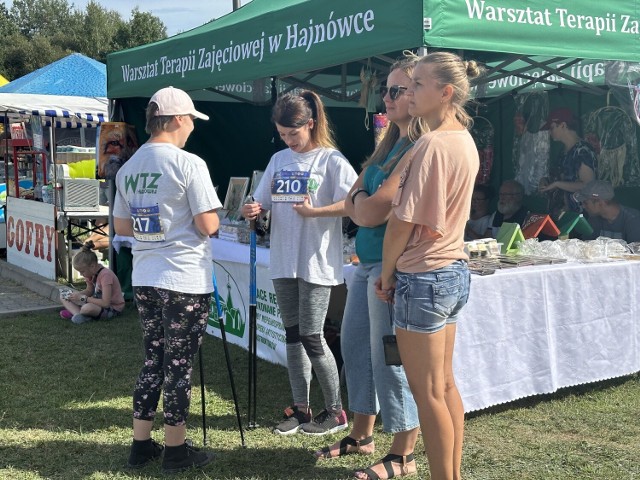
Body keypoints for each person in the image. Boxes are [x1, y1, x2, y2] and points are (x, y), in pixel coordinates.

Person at [316, 55, 428, 479]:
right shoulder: (389, 144)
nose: (387, 97)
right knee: (357, 346)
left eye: (396, 90)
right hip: (368, 261)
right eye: (386, 89)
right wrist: (363, 201)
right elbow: (353, 200)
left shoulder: (420, 145)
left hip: (394, 264)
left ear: (417, 94)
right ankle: (363, 434)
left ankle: (404, 453)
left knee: (390, 357)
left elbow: (369, 208)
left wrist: (364, 201)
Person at [376, 52, 481, 480]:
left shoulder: (433, 143)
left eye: (418, 84)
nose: (409, 91)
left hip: (424, 275)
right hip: (452, 270)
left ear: (446, 92)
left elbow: (402, 222)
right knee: (444, 386)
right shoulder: (463, 140)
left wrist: (386, 274)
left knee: (428, 394)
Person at [113, 86, 221, 473]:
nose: (192, 126)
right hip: (183, 277)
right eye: (191, 119)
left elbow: (123, 226)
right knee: (178, 365)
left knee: (153, 360)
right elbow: (208, 225)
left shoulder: (129, 166)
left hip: (146, 275)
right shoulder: (189, 163)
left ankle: (141, 446)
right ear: (177, 119)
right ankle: (176, 450)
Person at [241, 90, 357, 436]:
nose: (288, 140)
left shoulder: (331, 160)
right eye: (282, 134)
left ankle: (336, 411)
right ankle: (302, 408)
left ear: (310, 124)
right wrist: (252, 209)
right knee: (293, 336)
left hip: (316, 261)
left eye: (293, 134)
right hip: (283, 260)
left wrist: (316, 212)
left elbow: (355, 204)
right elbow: (259, 202)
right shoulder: (278, 161)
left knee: (311, 335)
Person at [539, 108, 596, 213]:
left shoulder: (583, 150)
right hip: (560, 213)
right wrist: (545, 181)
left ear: (563, 125)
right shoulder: (563, 152)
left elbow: (588, 185)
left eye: (551, 128)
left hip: (578, 216)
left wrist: (557, 184)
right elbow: (559, 176)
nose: (550, 132)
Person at [59, 239, 125, 324]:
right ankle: (78, 314)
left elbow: (106, 303)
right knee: (63, 294)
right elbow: (89, 290)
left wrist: (82, 298)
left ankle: (78, 313)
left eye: (82, 271)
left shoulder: (106, 275)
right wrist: (76, 295)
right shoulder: (90, 274)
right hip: (96, 303)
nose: (81, 274)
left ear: (92, 266)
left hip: (112, 308)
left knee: (87, 308)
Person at [574, 180, 640, 243]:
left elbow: (636, 251)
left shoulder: (633, 220)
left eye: (585, 203)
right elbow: (586, 246)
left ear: (600, 202)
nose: (583, 206)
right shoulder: (594, 218)